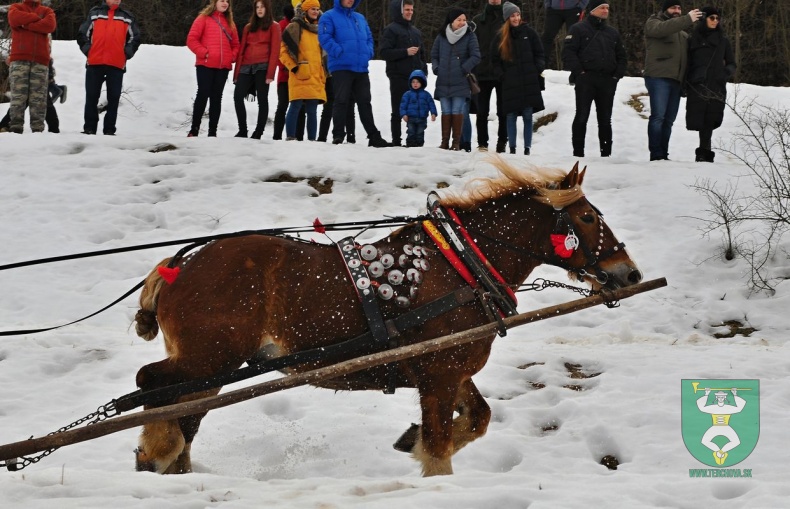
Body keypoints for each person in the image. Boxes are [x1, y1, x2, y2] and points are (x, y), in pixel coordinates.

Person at [318, 0, 390, 147]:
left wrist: (368, 52)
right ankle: (338, 135)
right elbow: (324, 38)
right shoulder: (328, 16)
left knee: (365, 102)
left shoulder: (360, 17)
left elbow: (369, 38)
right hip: (341, 66)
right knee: (341, 100)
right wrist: (339, 52)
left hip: (360, 66)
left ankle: (373, 136)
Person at [562, 0, 626, 158]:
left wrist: (616, 75)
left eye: (607, 8)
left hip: (607, 80)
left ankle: (606, 154)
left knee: (605, 119)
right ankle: (578, 153)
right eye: (602, 8)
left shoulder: (612, 32)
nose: (605, 11)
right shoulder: (578, 29)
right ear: (592, 10)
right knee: (581, 116)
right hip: (586, 79)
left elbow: (622, 57)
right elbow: (568, 53)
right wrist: (580, 72)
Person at [644, 1, 702, 160]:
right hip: (658, 77)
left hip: (676, 81)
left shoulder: (683, 35)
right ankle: (656, 154)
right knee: (658, 117)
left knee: (668, 120)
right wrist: (687, 18)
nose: (677, 10)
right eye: (673, 8)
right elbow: (664, 28)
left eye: (679, 8)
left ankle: (663, 154)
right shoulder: (653, 23)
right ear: (665, 10)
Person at [76, 0, 140, 136]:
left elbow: (135, 38)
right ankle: (89, 128)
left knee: (114, 97)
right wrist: (89, 51)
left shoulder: (127, 17)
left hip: (116, 64)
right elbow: (82, 34)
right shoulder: (95, 14)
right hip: (95, 62)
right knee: (92, 97)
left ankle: (109, 129)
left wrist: (126, 54)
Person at [491, 2, 545, 155]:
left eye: (517, 15)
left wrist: (537, 68)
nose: (515, 18)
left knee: (528, 114)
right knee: (511, 115)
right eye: (512, 16)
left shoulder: (530, 33)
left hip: (529, 81)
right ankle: (512, 148)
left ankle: (527, 148)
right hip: (510, 83)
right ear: (507, 18)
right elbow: (494, 59)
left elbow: (540, 53)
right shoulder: (500, 36)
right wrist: (501, 74)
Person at [685, 6, 735, 163]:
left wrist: (724, 74)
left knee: (710, 119)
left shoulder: (723, 41)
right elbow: (687, 63)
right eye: (712, 18)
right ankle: (703, 151)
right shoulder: (693, 40)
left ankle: (704, 152)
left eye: (717, 19)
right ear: (704, 19)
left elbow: (732, 63)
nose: (715, 21)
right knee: (698, 117)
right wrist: (687, 81)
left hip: (716, 84)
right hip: (697, 83)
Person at [186, 0, 240, 137]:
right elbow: (191, 39)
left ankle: (212, 132)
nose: (225, 3)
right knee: (203, 94)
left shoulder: (230, 23)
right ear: (215, 2)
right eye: (222, 0)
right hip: (205, 64)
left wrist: (231, 57)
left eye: (227, 1)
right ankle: (194, 129)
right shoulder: (203, 18)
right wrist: (205, 53)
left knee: (217, 98)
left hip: (223, 66)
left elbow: (236, 45)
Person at [431, 7, 481, 151]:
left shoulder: (470, 36)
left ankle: (456, 143)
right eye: (459, 19)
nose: (462, 22)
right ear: (451, 21)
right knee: (446, 111)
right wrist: (436, 68)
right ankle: (444, 142)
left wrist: (464, 68)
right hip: (443, 80)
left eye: (464, 20)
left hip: (461, 80)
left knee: (458, 111)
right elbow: (434, 55)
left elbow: (476, 55)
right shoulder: (441, 36)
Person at [380, 0, 427, 147]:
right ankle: (396, 141)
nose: (410, 12)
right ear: (399, 11)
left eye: (412, 10)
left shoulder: (416, 32)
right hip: (398, 76)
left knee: (415, 111)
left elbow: (422, 54)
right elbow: (384, 52)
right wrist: (405, 52)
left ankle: (414, 140)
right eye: (407, 9)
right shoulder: (390, 30)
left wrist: (424, 71)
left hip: (415, 78)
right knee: (398, 109)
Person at [233, 0, 281, 139]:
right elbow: (242, 50)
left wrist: (270, 73)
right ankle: (242, 130)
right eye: (257, 7)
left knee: (262, 99)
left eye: (262, 7)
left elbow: (275, 51)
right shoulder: (249, 27)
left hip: (263, 66)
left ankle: (258, 132)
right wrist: (237, 73)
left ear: (268, 8)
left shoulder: (274, 26)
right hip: (246, 66)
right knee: (237, 97)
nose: (259, 9)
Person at [6, 0, 56, 134]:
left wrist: (25, 24)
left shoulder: (47, 11)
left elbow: (49, 25)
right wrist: (36, 19)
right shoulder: (16, 7)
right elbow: (14, 19)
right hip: (19, 58)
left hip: (40, 60)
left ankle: (37, 130)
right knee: (18, 97)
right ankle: (15, 129)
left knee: (38, 99)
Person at [279, 0, 326, 141]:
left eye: (317, 9)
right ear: (305, 10)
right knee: (295, 106)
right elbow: (283, 52)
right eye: (312, 8)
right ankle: (290, 137)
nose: (315, 11)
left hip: (316, 74)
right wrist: (294, 67)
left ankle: (312, 140)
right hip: (300, 73)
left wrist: (323, 72)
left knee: (312, 110)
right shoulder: (294, 27)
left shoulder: (320, 29)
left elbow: (323, 54)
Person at [472, 0, 509, 153]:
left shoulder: (507, 19)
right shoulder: (477, 20)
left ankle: (502, 143)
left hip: (502, 72)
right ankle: (482, 144)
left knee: (503, 111)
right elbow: (471, 44)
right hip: (482, 72)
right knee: (481, 112)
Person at [0, 57, 64, 134]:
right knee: (38, 97)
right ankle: (53, 128)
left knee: (31, 97)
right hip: (31, 58)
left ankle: (5, 125)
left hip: (36, 59)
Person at [541, 0, 587, 70]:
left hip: (573, 9)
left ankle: (572, 67)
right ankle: (542, 65)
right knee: (547, 37)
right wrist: (548, 5)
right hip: (554, 9)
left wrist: (581, 6)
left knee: (573, 38)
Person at [399, 69, 437, 147]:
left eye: (417, 82)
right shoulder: (407, 94)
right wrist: (404, 114)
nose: (415, 84)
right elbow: (403, 105)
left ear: (422, 83)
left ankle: (419, 144)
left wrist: (433, 113)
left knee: (420, 132)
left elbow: (431, 104)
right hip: (411, 118)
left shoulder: (426, 95)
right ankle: (410, 143)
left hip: (422, 118)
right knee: (411, 131)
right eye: (413, 82)